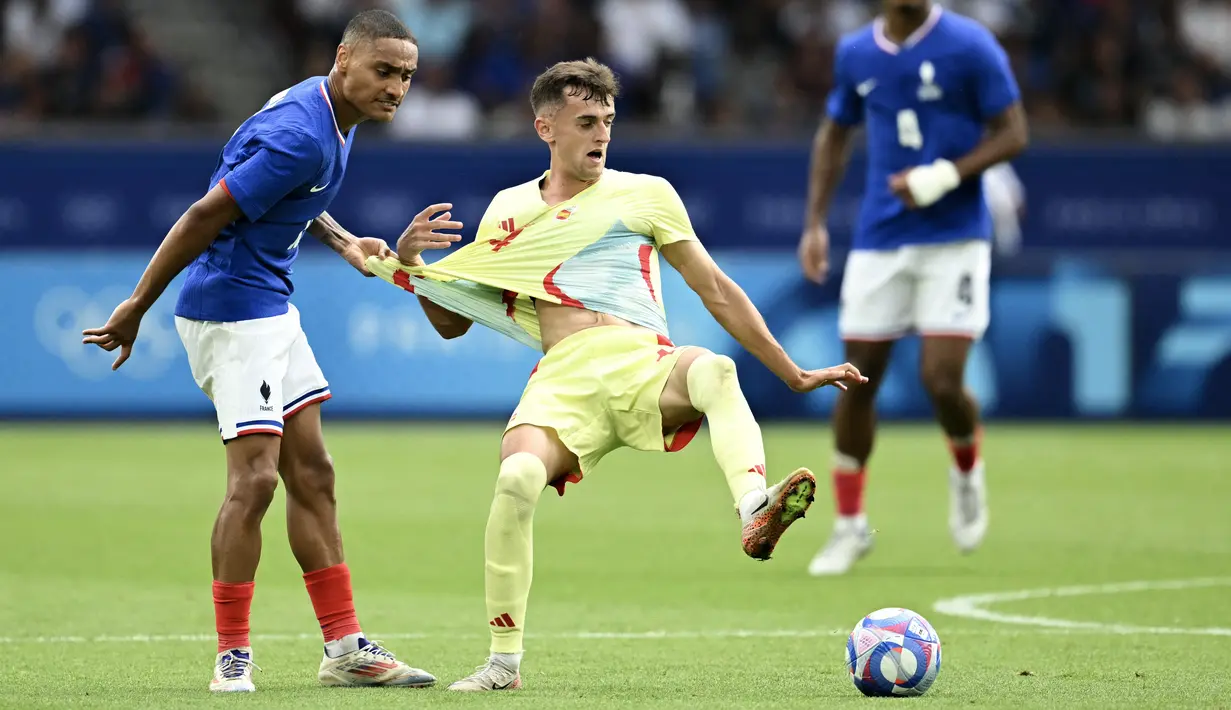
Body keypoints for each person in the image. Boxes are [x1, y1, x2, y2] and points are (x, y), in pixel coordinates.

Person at [366, 58, 867, 691]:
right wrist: (414, 270)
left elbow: (714, 288)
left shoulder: (647, 193)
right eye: (585, 122)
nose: (601, 134)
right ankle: (502, 664)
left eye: (607, 121)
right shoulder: (509, 209)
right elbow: (453, 322)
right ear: (546, 128)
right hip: (563, 378)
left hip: (640, 362)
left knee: (714, 368)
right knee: (517, 479)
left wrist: (791, 372)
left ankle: (752, 509)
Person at [81, 9, 445, 693]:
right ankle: (232, 659)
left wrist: (342, 241)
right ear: (344, 59)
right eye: (384, 71)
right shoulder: (301, 135)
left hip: (270, 306)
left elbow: (290, 198)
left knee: (315, 473)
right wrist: (137, 305)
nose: (395, 87)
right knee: (256, 481)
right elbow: (203, 215)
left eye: (405, 77)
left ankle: (343, 649)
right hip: (231, 313)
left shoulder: (327, 110)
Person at [797, 0, 1028, 576]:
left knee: (941, 380)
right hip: (880, 239)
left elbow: (1014, 131)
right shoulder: (855, 52)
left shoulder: (970, 44)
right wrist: (816, 223)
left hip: (956, 237)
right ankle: (850, 527)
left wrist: (946, 173)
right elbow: (835, 133)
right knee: (856, 381)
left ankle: (967, 472)